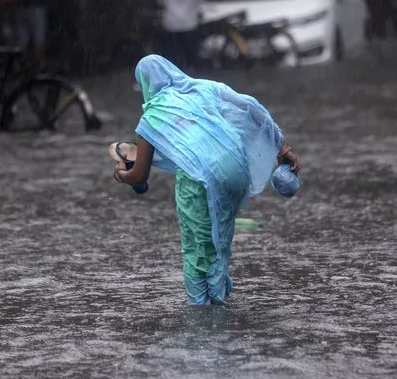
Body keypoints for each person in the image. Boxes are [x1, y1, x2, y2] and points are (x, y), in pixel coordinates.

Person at [113, 55, 300, 306]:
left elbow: (139, 176)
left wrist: (120, 173)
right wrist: (283, 148)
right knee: (218, 243)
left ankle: (204, 320)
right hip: (237, 169)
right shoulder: (202, 88)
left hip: (201, 179)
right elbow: (251, 107)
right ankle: (219, 303)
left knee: (196, 250)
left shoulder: (153, 117)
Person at [158, 0, 203, 71]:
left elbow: (161, 4)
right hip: (190, 23)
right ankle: (189, 68)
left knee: (173, 52)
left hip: (171, 23)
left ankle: (173, 70)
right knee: (189, 52)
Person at [4, 0, 48, 70]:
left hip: (26, 8)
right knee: (34, 41)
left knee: (26, 42)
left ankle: (30, 67)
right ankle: (31, 68)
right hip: (31, 8)